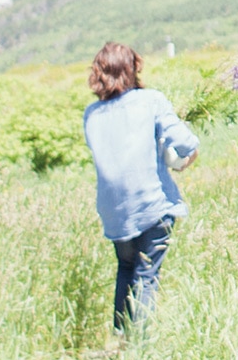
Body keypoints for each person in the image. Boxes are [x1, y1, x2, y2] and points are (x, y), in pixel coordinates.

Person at [82, 41, 199, 335]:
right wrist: (186, 159)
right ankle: (140, 347)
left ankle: (120, 336)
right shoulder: (151, 101)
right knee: (147, 276)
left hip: (115, 211)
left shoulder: (92, 114)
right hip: (152, 205)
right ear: (133, 69)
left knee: (126, 268)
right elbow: (186, 143)